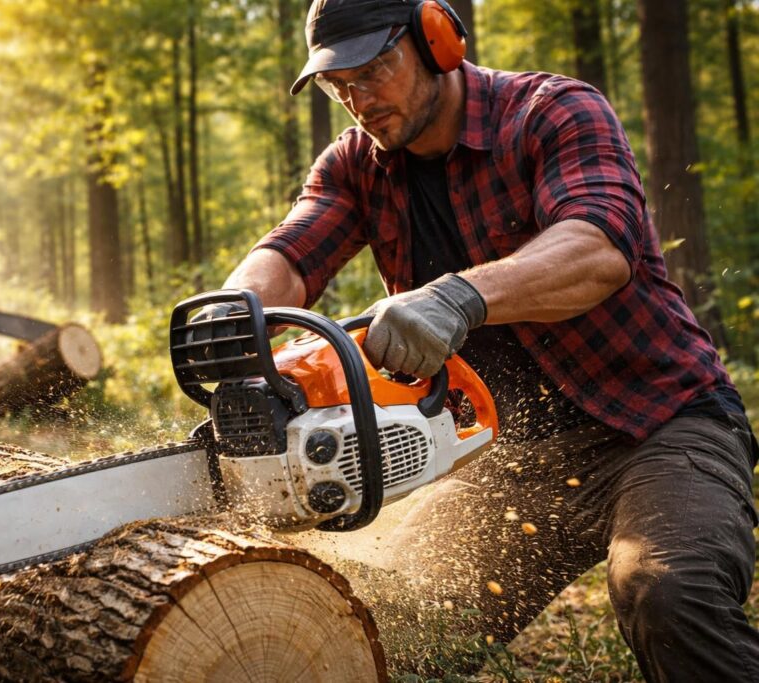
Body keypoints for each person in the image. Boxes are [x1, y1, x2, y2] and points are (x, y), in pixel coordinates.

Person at [214, 0, 759, 679]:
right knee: (382, 619)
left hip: (660, 425)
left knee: (666, 590)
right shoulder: (357, 164)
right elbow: (292, 252)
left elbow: (598, 246)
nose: (359, 98)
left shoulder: (552, 112)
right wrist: (232, 320)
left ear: (437, 41)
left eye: (376, 70)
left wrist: (459, 296)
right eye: (338, 83)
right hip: (508, 461)